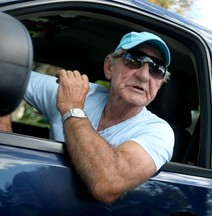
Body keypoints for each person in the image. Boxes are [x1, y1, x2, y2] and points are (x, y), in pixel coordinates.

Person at [0, 31, 174, 203]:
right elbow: (7, 75)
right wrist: (5, 130)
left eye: (156, 69)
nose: (143, 75)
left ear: (159, 84)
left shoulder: (159, 131)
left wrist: (72, 108)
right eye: (134, 60)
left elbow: (109, 184)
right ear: (109, 66)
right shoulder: (78, 91)